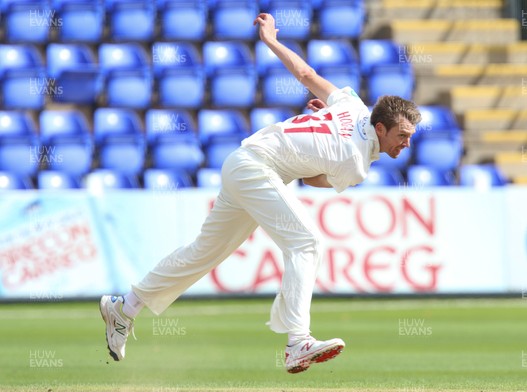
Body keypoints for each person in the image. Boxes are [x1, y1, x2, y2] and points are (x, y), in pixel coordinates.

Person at [100, 13, 421, 374]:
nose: (406, 145)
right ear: (381, 127)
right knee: (307, 243)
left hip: (243, 163)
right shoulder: (356, 165)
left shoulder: (352, 106)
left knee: (202, 253)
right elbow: (314, 181)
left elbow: (306, 76)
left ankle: (123, 308)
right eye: (401, 136)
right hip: (257, 170)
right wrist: (323, 150)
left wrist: (270, 41)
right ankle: (298, 341)